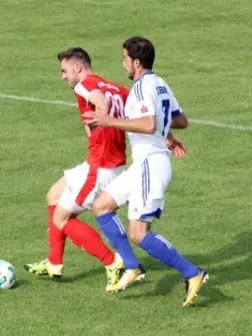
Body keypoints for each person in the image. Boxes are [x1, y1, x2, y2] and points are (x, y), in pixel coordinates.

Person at [84, 36, 208, 307]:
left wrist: (108, 121)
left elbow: (150, 123)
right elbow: (180, 119)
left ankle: (192, 272)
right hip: (144, 163)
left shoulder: (141, 88)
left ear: (137, 62)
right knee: (102, 205)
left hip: (151, 165)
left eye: (125, 59)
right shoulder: (159, 83)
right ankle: (132, 266)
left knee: (139, 233)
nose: (123, 64)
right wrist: (169, 135)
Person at [23, 47, 135, 291]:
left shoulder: (83, 85)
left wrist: (101, 121)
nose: (63, 76)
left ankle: (112, 261)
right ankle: (54, 262)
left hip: (100, 166)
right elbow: (133, 105)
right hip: (106, 161)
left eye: (64, 70)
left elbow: (101, 103)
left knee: (61, 218)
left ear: (78, 67)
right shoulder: (113, 86)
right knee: (53, 194)